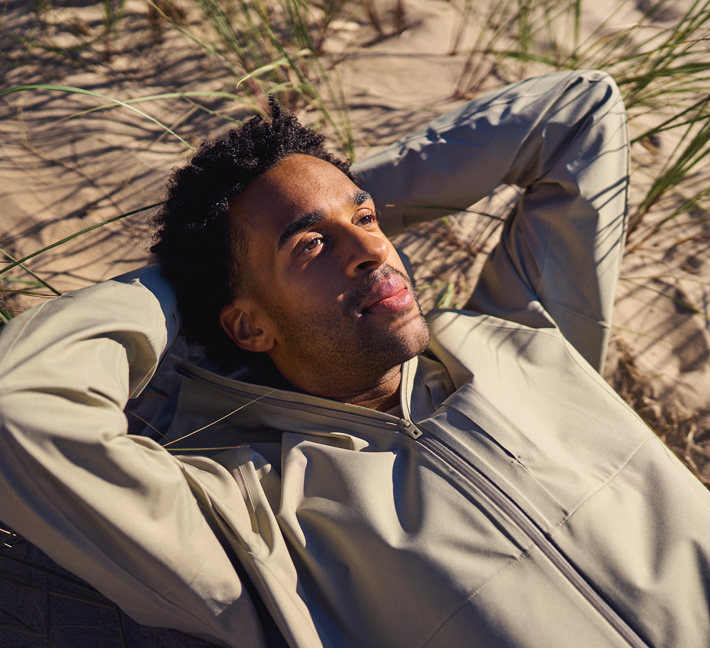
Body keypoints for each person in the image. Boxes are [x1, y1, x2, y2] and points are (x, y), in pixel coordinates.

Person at [0, 70, 709, 648]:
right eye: (312, 247)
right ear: (247, 326)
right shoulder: (256, 521)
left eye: (367, 221)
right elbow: (20, 404)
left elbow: (577, 113)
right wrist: (179, 285)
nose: (372, 250)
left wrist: (330, 201)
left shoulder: (520, 340)